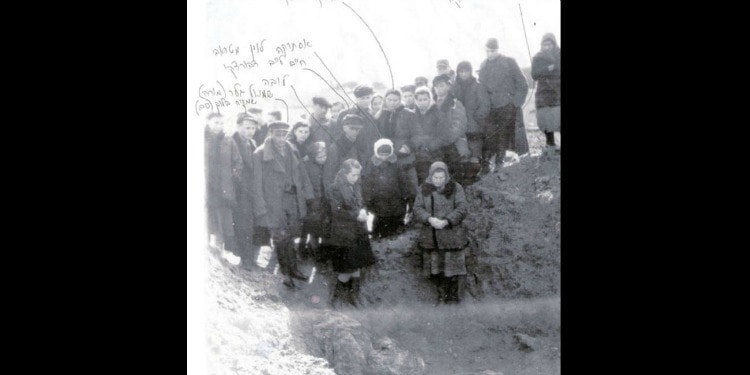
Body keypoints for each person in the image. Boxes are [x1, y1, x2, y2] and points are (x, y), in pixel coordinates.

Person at [252, 121, 315, 288]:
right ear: (270, 133)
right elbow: (256, 183)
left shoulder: (292, 149)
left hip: (292, 200)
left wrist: (308, 196)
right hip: (273, 203)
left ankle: (293, 269)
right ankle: (285, 273)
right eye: (277, 134)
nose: (281, 138)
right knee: (279, 237)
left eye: (284, 134)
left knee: (290, 236)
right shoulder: (259, 154)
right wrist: (260, 208)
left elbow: (302, 173)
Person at [412, 161, 469, 305]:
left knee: (453, 267)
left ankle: (454, 297)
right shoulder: (423, 189)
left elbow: (462, 208)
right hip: (431, 235)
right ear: (431, 176)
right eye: (435, 178)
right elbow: (417, 208)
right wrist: (429, 219)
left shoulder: (456, 188)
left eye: (441, 178)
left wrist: (446, 221)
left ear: (446, 176)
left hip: (451, 235)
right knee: (436, 268)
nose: (438, 181)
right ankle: (441, 295)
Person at [327, 159, 377, 308]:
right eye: (353, 175)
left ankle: (353, 296)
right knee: (347, 267)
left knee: (357, 265)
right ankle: (337, 297)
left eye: (358, 175)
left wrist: (362, 211)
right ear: (344, 173)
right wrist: (356, 214)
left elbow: (360, 203)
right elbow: (336, 211)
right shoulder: (334, 189)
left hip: (358, 231)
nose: (356, 178)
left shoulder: (356, 185)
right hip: (343, 233)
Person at [478, 38, 528, 173]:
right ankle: (487, 164)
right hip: (491, 107)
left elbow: (522, 83)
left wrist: (515, 102)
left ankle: (501, 162)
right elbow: (481, 88)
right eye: (488, 51)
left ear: (498, 49)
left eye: (493, 51)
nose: (490, 54)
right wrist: (485, 105)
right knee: (489, 134)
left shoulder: (509, 62)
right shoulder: (483, 66)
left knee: (505, 134)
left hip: (507, 104)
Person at [362, 139, 417, 239]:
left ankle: (394, 240)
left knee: (395, 220)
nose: (384, 157)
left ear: (390, 153)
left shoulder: (396, 164)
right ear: (376, 152)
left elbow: (402, 180)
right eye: (381, 154)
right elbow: (367, 184)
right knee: (380, 220)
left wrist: (405, 195)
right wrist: (368, 199)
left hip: (395, 199)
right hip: (378, 199)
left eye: (386, 154)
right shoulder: (371, 164)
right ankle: (380, 238)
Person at [205, 113, 242, 256]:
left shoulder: (228, 141)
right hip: (207, 186)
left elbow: (238, 161)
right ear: (208, 122)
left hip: (223, 187)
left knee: (223, 219)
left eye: (221, 123)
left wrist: (233, 176)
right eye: (215, 123)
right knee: (207, 217)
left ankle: (219, 251)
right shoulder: (200, 139)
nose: (218, 126)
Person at [230, 113, 260, 270]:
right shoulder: (230, 142)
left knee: (250, 224)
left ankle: (248, 258)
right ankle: (244, 259)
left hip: (250, 191)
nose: (250, 131)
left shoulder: (252, 143)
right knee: (242, 225)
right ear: (238, 126)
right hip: (237, 191)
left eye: (253, 128)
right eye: (247, 127)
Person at [454, 61, 491, 174]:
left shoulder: (477, 86)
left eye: (466, 71)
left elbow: (485, 105)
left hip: (474, 126)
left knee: (475, 154)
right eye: (461, 71)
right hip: (460, 127)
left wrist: (477, 118)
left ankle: (479, 176)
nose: (464, 74)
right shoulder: (455, 87)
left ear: (470, 72)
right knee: (463, 155)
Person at [300, 141, 331, 270]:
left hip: (324, 200)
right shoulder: (306, 165)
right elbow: (305, 184)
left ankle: (321, 253)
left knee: (324, 228)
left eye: (325, 156)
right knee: (313, 229)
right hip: (312, 202)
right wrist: (311, 199)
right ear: (313, 157)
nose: (323, 159)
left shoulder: (326, 165)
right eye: (320, 157)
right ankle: (316, 255)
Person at [531, 33, 561, 151]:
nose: (547, 47)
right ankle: (550, 144)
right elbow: (534, 75)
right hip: (544, 93)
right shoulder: (537, 57)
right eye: (544, 44)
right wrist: (547, 69)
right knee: (545, 118)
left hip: (558, 91)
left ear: (554, 44)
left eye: (549, 44)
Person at [336, 84, 380, 162]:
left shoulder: (373, 115)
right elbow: (338, 135)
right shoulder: (344, 114)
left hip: (369, 155)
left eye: (368, 98)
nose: (366, 101)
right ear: (356, 99)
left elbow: (376, 135)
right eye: (362, 98)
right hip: (351, 154)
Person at [324, 114, 369, 189]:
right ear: (344, 128)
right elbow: (328, 176)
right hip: (342, 190)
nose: (355, 131)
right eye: (352, 128)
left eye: (357, 129)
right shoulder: (336, 147)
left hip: (360, 187)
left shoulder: (362, 145)